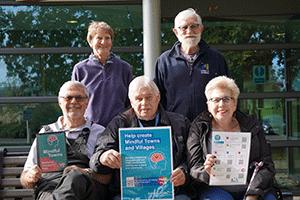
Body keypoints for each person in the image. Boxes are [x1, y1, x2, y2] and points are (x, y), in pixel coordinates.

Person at [90, 75, 191, 200]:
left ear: (158, 97)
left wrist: (184, 172)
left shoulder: (180, 123)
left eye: (149, 97)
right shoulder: (119, 123)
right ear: (131, 102)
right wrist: (103, 157)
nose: (144, 103)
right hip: (129, 194)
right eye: (139, 99)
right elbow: (97, 156)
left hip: (172, 192)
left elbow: (194, 158)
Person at [187, 76, 277, 200]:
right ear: (208, 104)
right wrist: (206, 172)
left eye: (226, 99)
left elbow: (267, 165)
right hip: (215, 188)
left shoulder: (252, 125)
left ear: (234, 103)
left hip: (253, 186)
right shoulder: (198, 128)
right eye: (215, 100)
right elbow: (194, 168)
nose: (221, 104)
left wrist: (253, 193)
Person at [20, 81, 108, 200]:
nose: (73, 101)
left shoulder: (99, 132)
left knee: (74, 177)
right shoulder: (46, 132)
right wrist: (30, 176)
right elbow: (25, 178)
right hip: (50, 188)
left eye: (79, 97)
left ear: (87, 102)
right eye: (68, 97)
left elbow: (107, 178)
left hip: (86, 190)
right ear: (60, 101)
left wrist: (84, 172)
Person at [154, 8, 229, 122]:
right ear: (175, 32)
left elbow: (229, 93)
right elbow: (157, 98)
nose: (189, 31)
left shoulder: (216, 59)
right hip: (175, 128)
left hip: (209, 126)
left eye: (194, 26)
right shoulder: (164, 61)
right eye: (184, 27)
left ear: (201, 29)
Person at [72, 21, 132, 127]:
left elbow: (130, 102)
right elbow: (74, 101)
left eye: (107, 38)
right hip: (89, 129)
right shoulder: (80, 69)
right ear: (90, 42)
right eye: (99, 38)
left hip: (118, 128)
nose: (103, 42)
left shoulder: (124, 68)